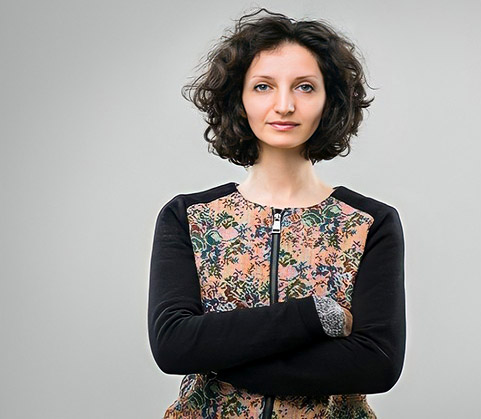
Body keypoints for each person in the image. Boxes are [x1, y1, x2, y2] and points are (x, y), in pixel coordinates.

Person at [147, 8, 406, 418]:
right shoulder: (188, 216)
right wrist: (315, 316)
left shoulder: (371, 223)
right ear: (239, 98)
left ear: (330, 100)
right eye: (263, 86)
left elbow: (378, 363)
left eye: (304, 87)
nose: (283, 105)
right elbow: (173, 345)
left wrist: (219, 354)